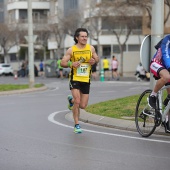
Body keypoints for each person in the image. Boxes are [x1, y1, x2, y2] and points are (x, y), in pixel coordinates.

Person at [61, 28, 99, 133]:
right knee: (78, 101)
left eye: (86, 36)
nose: (85, 38)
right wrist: (70, 64)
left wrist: (94, 61)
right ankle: (76, 125)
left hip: (86, 79)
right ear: (77, 38)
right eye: (82, 36)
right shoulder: (71, 50)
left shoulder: (91, 48)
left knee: (82, 105)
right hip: (75, 78)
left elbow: (97, 58)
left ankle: (71, 101)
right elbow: (62, 62)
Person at [148, 34, 170, 132]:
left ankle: (167, 120)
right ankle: (152, 95)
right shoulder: (167, 39)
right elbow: (165, 55)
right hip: (157, 63)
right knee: (167, 77)